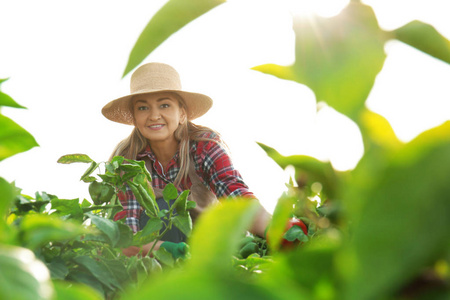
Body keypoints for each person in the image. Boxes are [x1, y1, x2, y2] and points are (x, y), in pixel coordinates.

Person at [101, 62, 271, 257]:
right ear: (134, 117)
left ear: (182, 113)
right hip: (154, 253)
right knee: (165, 209)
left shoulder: (204, 146)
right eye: (143, 108)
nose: (154, 115)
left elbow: (235, 194)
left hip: (213, 242)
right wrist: (168, 250)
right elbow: (126, 233)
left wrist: (276, 230)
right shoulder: (126, 161)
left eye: (164, 105)